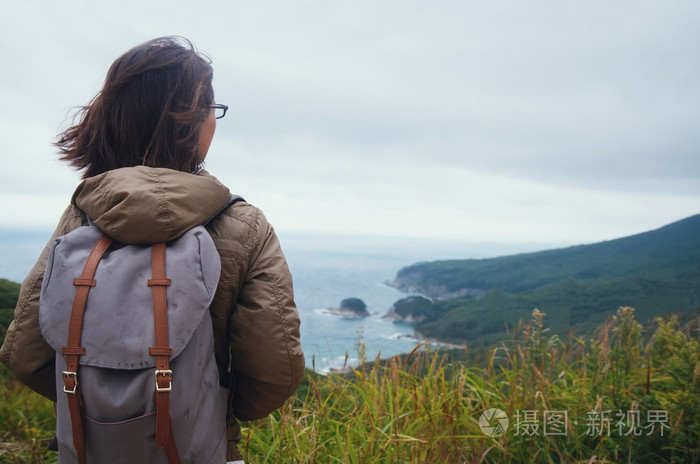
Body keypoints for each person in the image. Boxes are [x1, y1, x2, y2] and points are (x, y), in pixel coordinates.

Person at [0, 36, 305, 463]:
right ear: (195, 122)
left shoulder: (83, 217)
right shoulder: (243, 225)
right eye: (211, 112)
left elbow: (25, 354)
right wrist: (199, 407)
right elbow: (275, 370)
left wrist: (103, 404)